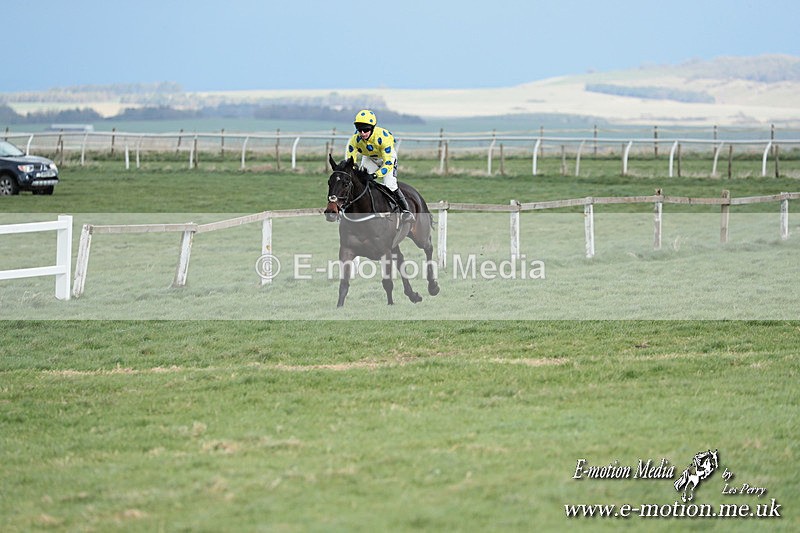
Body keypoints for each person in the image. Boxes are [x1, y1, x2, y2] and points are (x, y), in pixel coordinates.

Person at [346, 109, 414, 222]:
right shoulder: (355, 139)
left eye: (366, 129)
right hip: (370, 158)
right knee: (361, 182)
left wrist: (374, 175)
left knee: (389, 184)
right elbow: (350, 159)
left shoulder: (384, 138)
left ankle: (406, 211)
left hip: (387, 158)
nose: (362, 133)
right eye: (359, 129)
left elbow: (387, 164)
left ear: (372, 128)